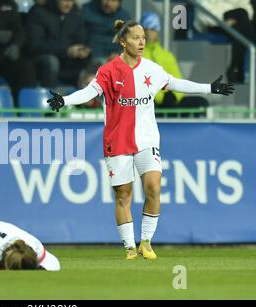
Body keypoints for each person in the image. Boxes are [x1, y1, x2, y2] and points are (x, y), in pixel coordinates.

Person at [47, 20, 235, 260]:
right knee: (123, 195)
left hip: (147, 139)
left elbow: (177, 83)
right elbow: (89, 92)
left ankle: (146, 242)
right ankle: (129, 247)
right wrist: (65, 100)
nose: (142, 41)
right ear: (123, 42)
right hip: (117, 141)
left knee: (154, 188)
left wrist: (210, 88)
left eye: (143, 37)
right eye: (136, 37)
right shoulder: (108, 71)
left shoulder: (152, 70)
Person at [141, 11, 209, 116]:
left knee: (201, 102)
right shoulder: (135, 56)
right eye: (145, 29)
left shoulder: (167, 55)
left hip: (169, 98)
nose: (149, 32)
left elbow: (178, 80)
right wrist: (161, 97)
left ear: (158, 31)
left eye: (153, 29)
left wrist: (174, 96)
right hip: (150, 101)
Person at [26, 0, 91, 87]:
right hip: (43, 59)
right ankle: (50, 96)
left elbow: (82, 38)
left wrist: (82, 50)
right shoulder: (38, 12)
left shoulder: (75, 13)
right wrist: (66, 51)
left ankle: (83, 97)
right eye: (65, 0)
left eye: (72, 1)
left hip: (68, 60)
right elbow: (36, 45)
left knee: (94, 61)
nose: (69, 4)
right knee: (52, 61)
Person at [194, 0, 254, 83]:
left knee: (242, 16)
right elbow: (205, 14)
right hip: (215, 23)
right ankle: (237, 68)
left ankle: (234, 68)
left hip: (238, 22)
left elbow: (247, 7)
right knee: (244, 23)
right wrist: (224, 20)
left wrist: (234, 20)